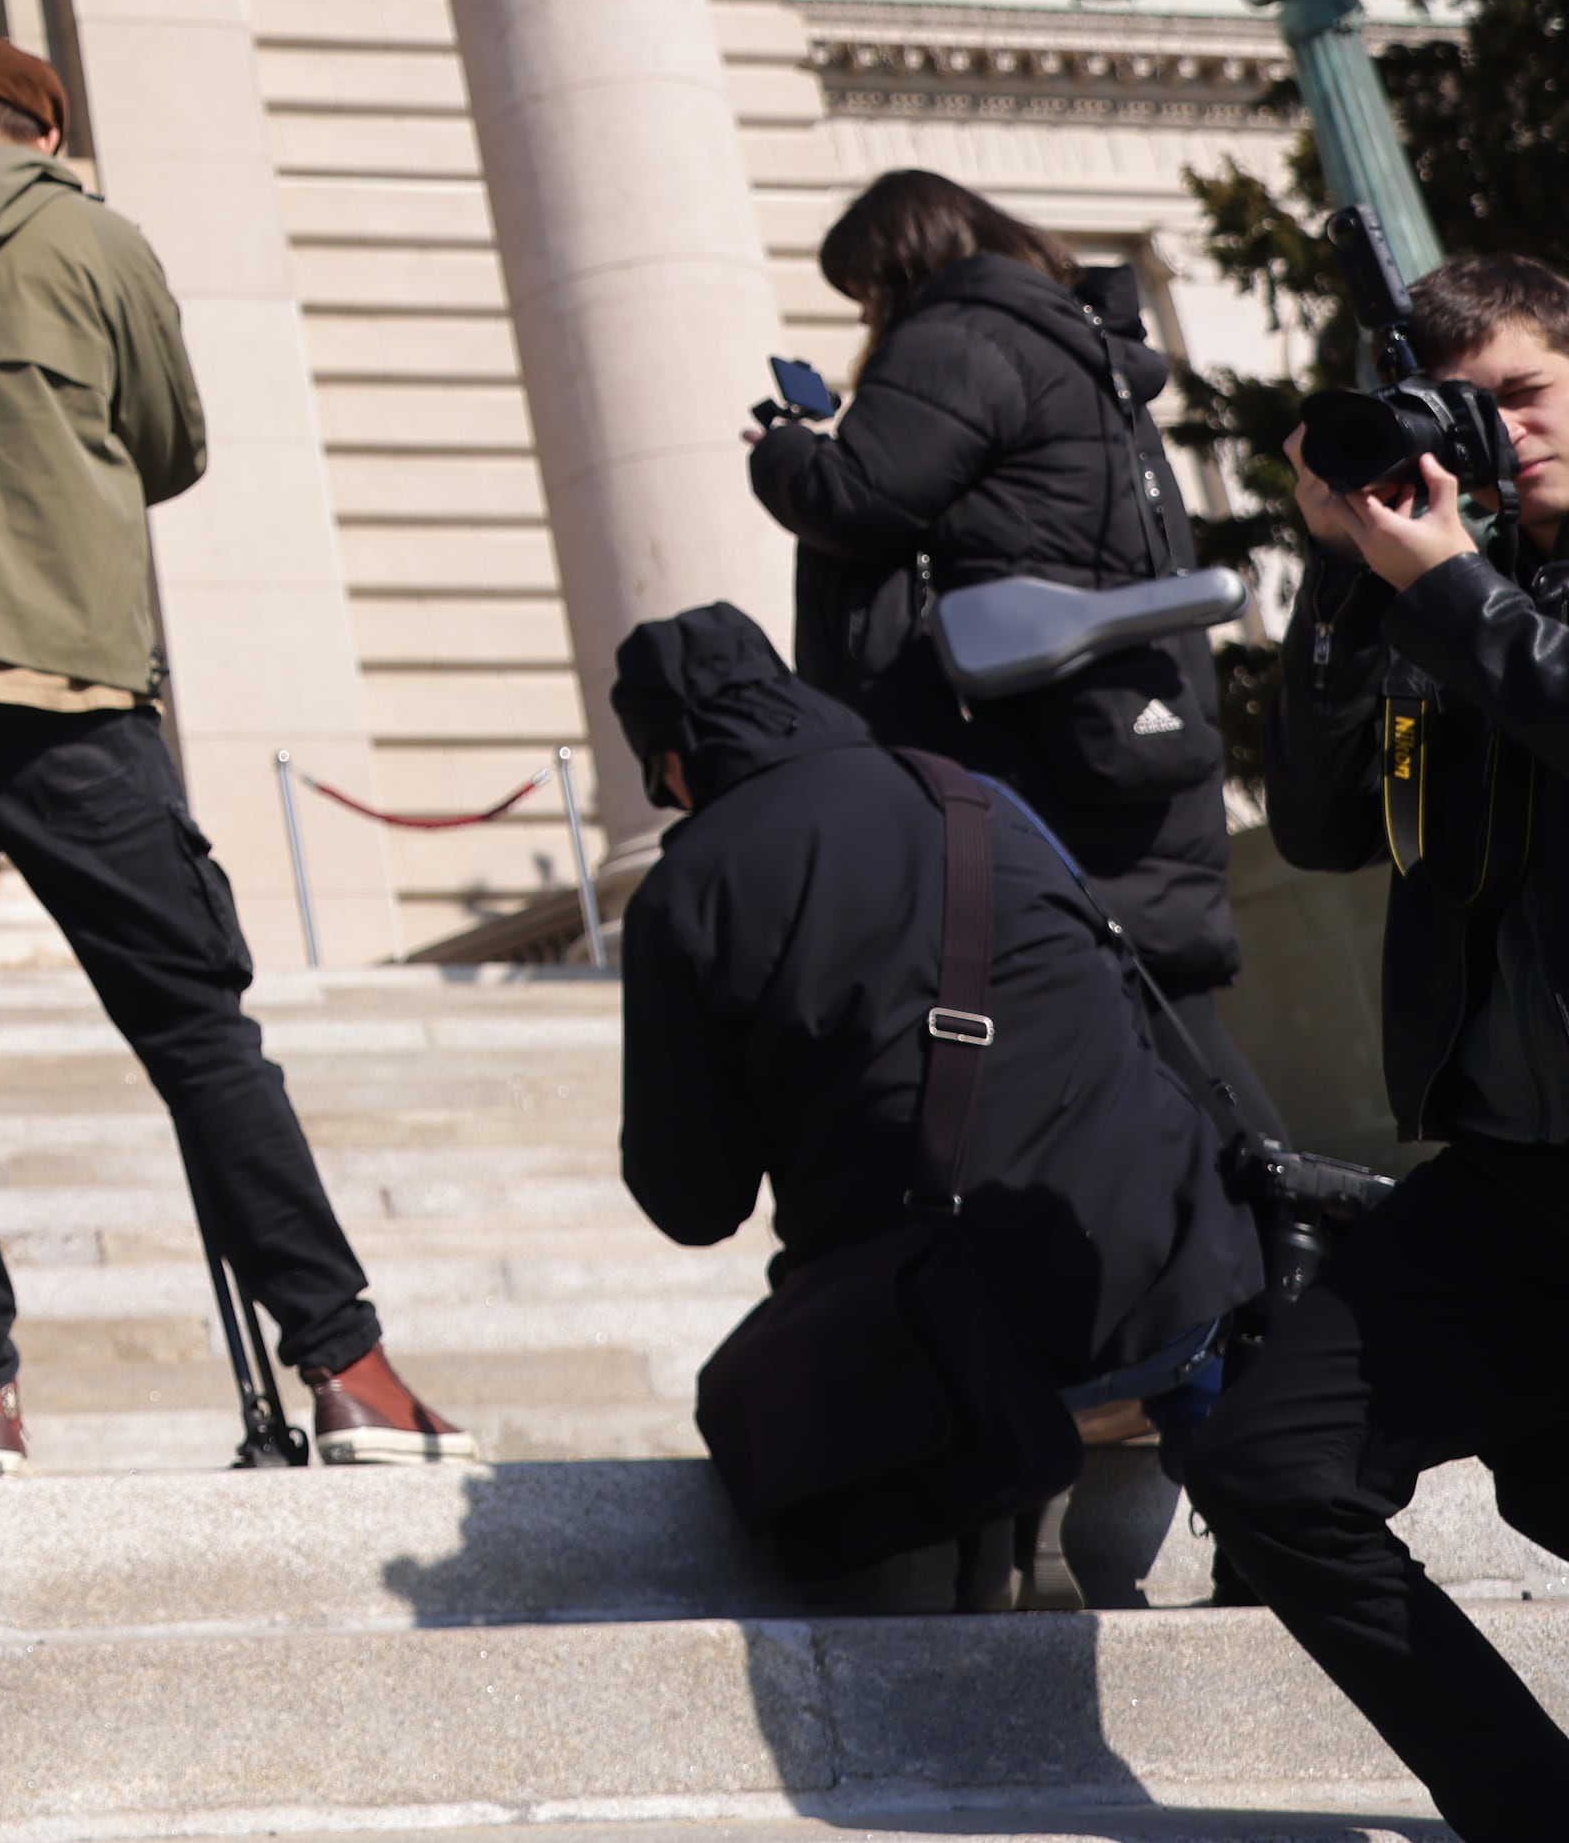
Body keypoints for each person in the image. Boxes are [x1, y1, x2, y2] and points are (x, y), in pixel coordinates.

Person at [0, 34, 473, 1479]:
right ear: (43, 134)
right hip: (61, 678)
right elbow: (170, 443)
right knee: (197, 1030)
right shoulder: (94, 239)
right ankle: (346, 1368)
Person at [1187, 249, 1569, 1832]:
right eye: (1461, 411)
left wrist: (1451, 585)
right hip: (1510, 1175)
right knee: (1272, 1468)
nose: (1497, 436)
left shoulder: (1473, 593)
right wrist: (1347, 566)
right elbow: (1329, 823)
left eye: (1526, 395)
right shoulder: (1442, 587)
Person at [611, 605, 1257, 1483]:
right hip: (1174, 1284)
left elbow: (692, 1202)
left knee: (768, 1391)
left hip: (955, 1341)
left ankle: (985, 1513)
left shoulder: (686, 892)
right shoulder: (973, 796)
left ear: (675, 758)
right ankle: (1238, 1489)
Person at [743, 170, 1259, 1118]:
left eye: (865, 289)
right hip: (1117, 711)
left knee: (1116, 1036)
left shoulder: (958, 338)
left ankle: (1270, 1206)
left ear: (900, 264)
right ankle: (1266, 1203)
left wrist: (783, 448)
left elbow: (858, 497)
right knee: (1159, 1017)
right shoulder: (1075, 341)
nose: (866, 314)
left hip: (1024, 733)